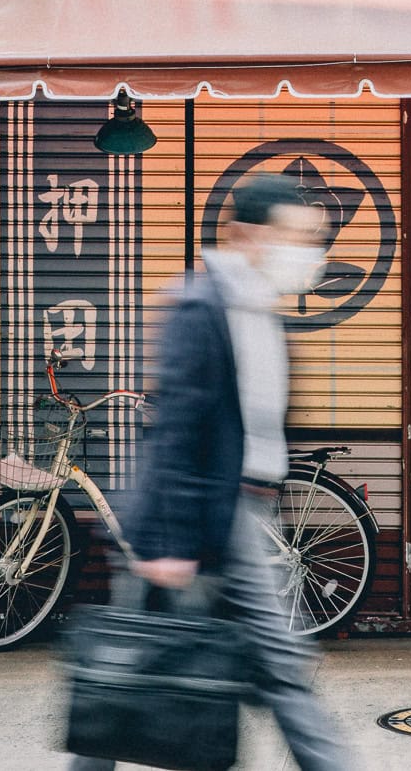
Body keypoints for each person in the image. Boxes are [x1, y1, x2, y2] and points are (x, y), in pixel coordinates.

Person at [94, 173, 356, 771]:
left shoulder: (259, 307)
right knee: (136, 671)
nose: (307, 251)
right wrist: (168, 543)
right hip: (200, 514)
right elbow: (177, 429)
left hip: (237, 510)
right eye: (294, 235)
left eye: (312, 238)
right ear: (247, 235)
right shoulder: (201, 304)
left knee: (145, 670)